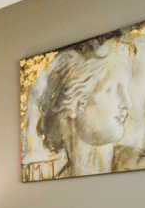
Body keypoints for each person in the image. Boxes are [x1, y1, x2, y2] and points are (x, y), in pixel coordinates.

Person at [34, 41, 139, 178]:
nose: (127, 102)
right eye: (111, 89)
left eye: (124, 87)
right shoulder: (55, 182)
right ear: (73, 103)